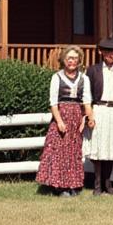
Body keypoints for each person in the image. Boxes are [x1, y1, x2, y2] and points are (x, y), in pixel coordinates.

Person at [36, 46, 92, 197]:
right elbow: (53, 103)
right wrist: (59, 121)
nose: (72, 61)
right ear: (64, 60)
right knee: (59, 152)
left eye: (75, 58)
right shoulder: (57, 77)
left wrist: (86, 118)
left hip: (76, 118)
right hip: (61, 117)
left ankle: (73, 184)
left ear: (79, 60)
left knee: (74, 152)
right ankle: (60, 187)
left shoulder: (84, 79)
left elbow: (86, 102)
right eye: (69, 58)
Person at [84, 37, 113, 195]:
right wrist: (89, 115)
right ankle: (97, 185)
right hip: (98, 110)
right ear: (101, 52)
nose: (111, 55)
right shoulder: (93, 70)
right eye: (108, 51)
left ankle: (107, 183)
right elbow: (86, 94)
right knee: (98, 148)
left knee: (111, 148)